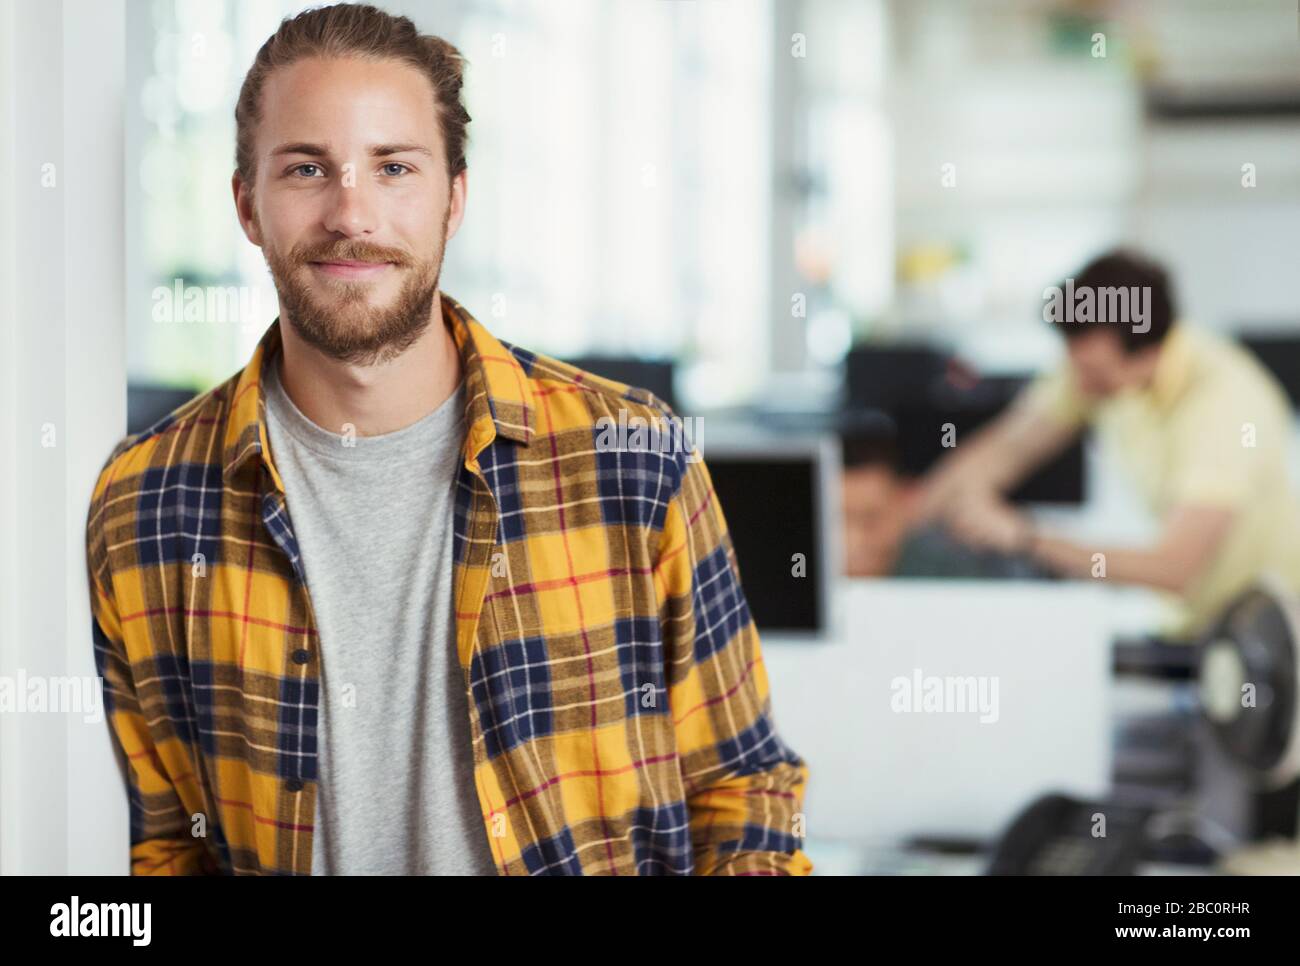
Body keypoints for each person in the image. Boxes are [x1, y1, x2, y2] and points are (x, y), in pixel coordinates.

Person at [84, 3, 809, 876]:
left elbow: (745, 792)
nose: (352, 214)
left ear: (453, 197)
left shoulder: (631, 456)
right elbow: (168, 845)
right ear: (248, 204)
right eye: (308, 168)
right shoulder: (144, 502)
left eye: (394, 167)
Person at [919, 249, 1300, 638]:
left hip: (1268, 631)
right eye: (1075, 367)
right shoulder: (1093, 366)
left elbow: (1174, 569)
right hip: (1186, 623)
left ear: (1149, 353)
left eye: (1094, 373)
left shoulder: (1226, 404)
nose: (1080, 385)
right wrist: (902, 523)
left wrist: (1026, 537)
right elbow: (1005, 449)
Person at [842, 427, 1046, 580]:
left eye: (871, 519)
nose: (854, 539)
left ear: (905, 501)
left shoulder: (959, 569)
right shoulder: (812, 572)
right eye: (837, 520)